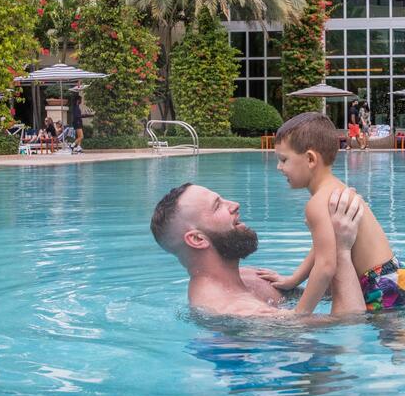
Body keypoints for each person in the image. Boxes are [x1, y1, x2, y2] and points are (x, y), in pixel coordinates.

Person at [150, 183, 366, 318]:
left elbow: (328, 297)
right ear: (197, 239)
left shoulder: (252, 276)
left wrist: (327, 232)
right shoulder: (234, 311)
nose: (234, 204)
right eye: (218, 206)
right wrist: (341, 249)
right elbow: (349, 322)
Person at [267, 112, 404, 313]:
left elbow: (325, 266)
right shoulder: (336, 189)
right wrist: (293, 280)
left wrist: (300, 313)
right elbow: (323, 248)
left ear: (311, 159)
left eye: (283, 160)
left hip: (378, 286)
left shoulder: (317, 203)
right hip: (392, 274)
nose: (279, 167)